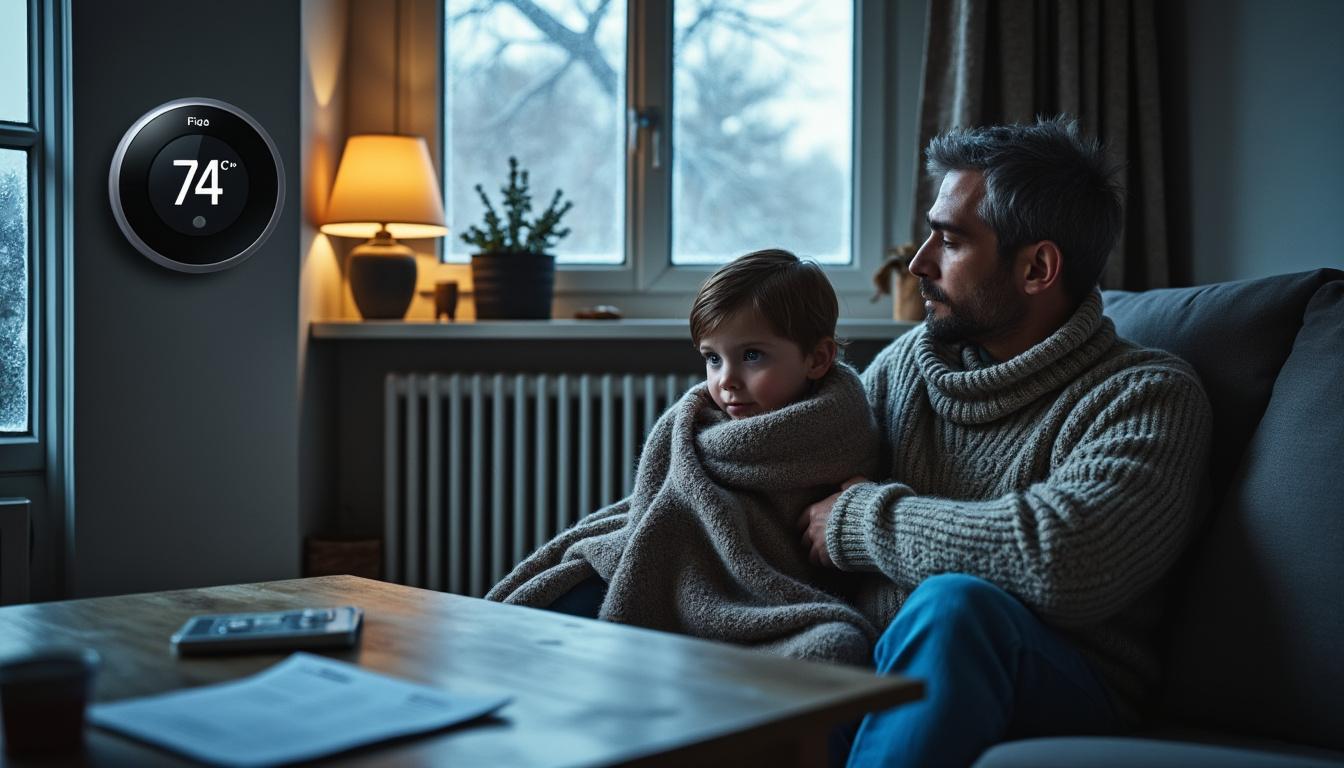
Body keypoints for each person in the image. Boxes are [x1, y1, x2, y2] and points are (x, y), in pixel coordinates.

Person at [798, 118, 1214, 767]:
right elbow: (794, 468)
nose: (918, 264)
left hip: (1064, 679)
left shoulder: (1147, 394)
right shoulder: (911, 362)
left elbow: (1064, 559)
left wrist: (863, 520)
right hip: (878, 659)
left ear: (1037, 268)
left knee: (955, 607)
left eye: (951, 242)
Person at [487, 249, 883, 664]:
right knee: (542, 612)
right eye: (713, 358)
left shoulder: (843, 433)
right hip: (670, 571)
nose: (726, 380)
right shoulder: (692, 423)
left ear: (817, 358)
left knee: (837, 645)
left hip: (767, 599)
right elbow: (657, 512)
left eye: (752, 356)